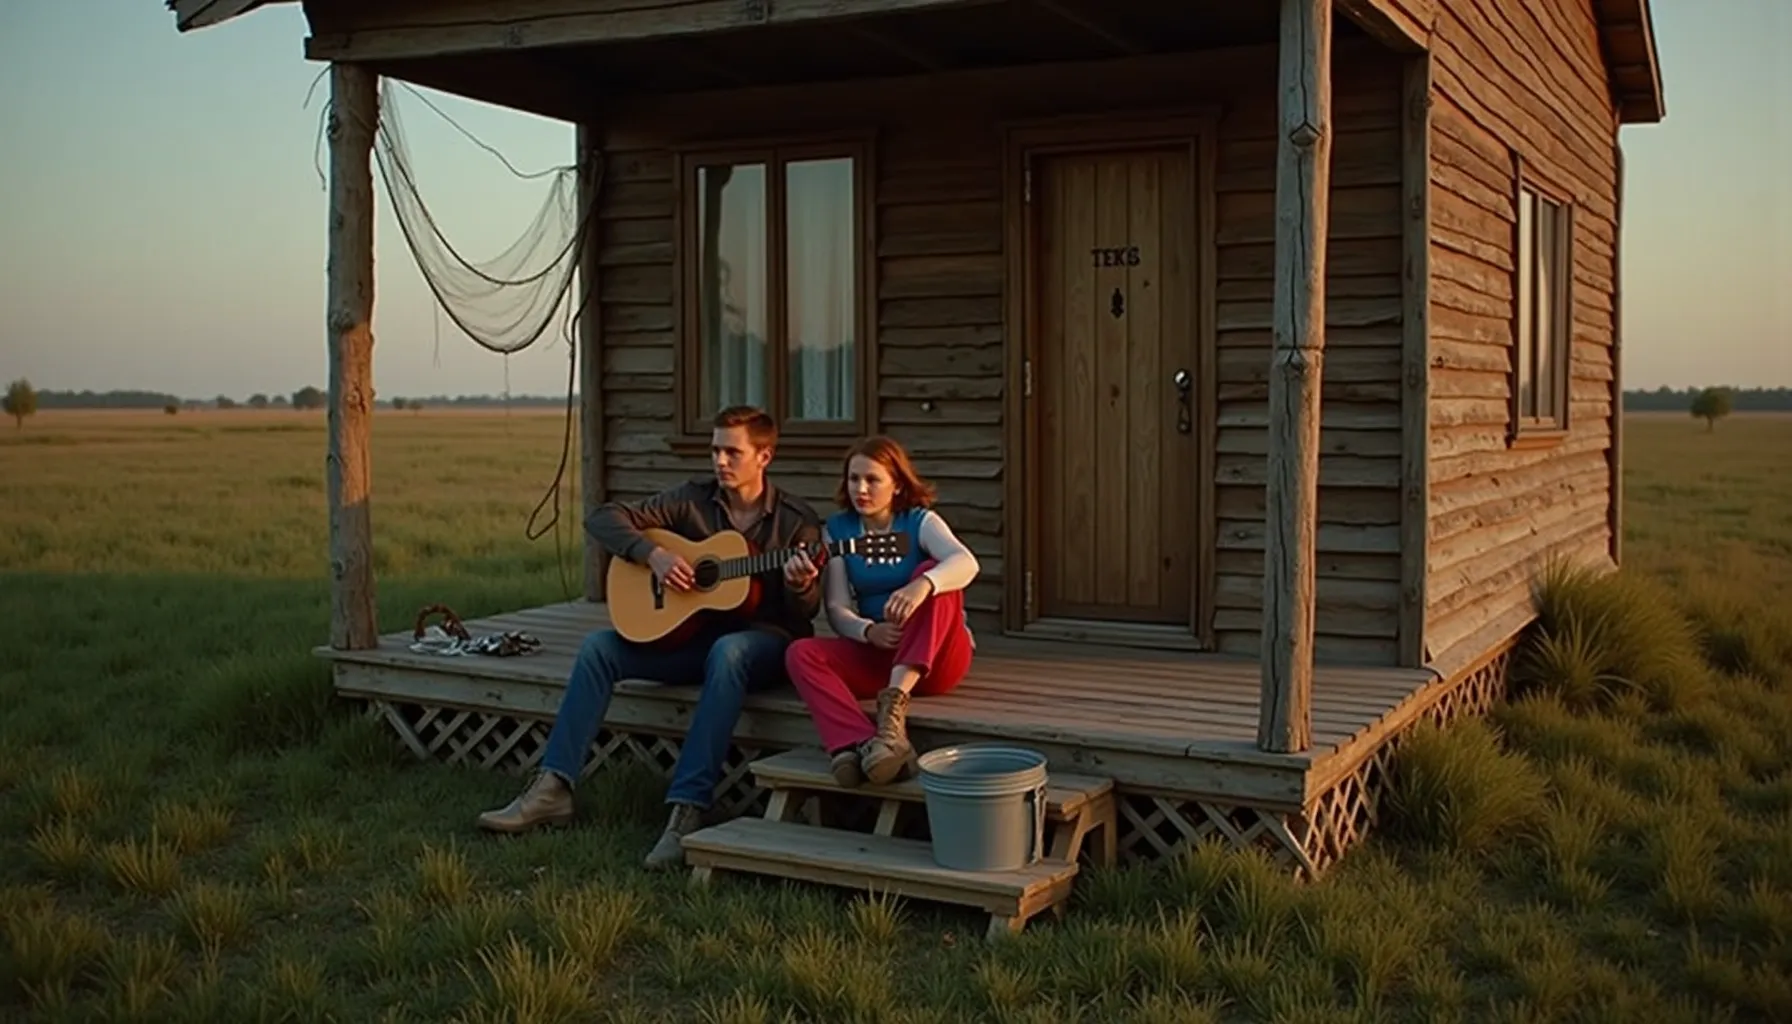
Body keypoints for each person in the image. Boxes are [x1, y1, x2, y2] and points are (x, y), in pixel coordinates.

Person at [476, 405, 824, 870]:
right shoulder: (692, 499)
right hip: (692, 638)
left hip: (761, 643)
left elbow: (805, 614)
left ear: (764, 456)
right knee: (599, 648)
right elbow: (603, 517)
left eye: (732, 452)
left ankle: (687, 810)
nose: (720, 461)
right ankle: (552, 788)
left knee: (729, 651)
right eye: (715, 450)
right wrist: (651, 554)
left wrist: (801, 585)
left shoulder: (797, 521)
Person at [783, 435, 981, 787]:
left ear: (897, 484)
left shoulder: (920, 521)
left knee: (935, 572)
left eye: (872, 479)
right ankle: (859, 744)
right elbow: (837, 607)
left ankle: (891, 719)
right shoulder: (838, 531)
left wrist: (924, 585)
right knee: (801, 653)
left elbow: (967, 563)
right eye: (854, 479)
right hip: (882, 650)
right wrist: (867, 631)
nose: (861, 489)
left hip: (937, 660)